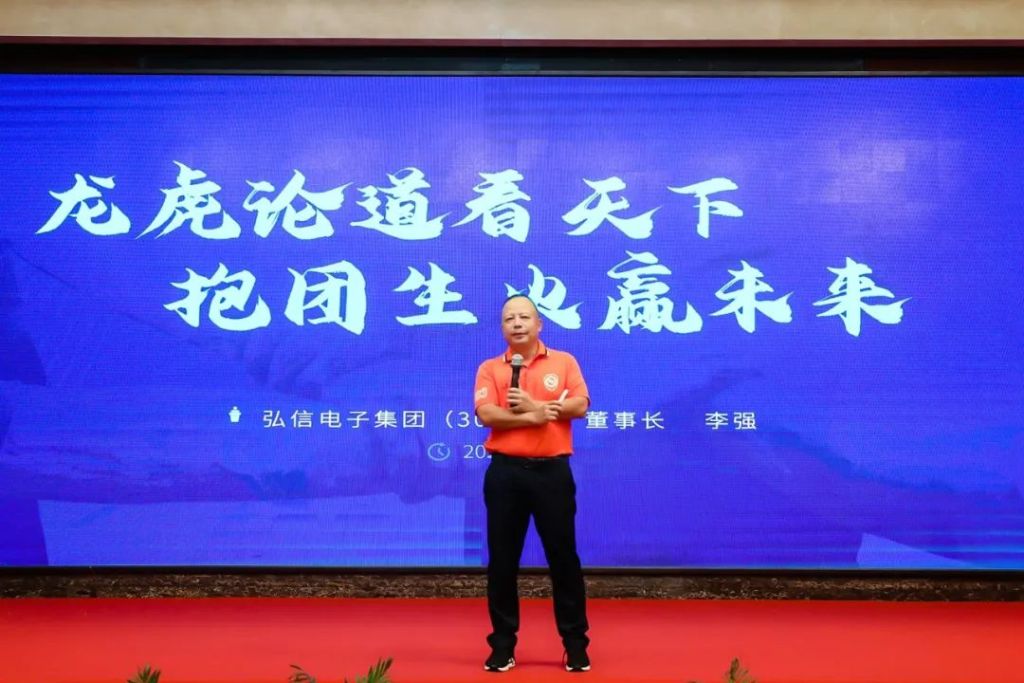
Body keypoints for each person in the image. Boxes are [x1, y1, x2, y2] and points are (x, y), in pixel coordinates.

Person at [474, 294, 591, 673]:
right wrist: (533, 416)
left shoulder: (564, 361)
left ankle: (575, 644)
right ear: (502, 328)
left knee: (564, 559)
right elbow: (486, 414)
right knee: (502, 561)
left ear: (539, 324)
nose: (517, 323)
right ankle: (502, 645)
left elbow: (580, 404)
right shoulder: (490, 368)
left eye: (524, 317)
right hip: (505, 474)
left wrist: (538, 408)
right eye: (509, 318)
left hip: (552, 473)